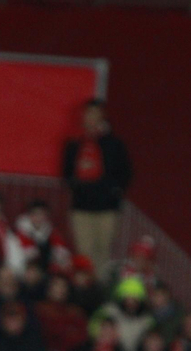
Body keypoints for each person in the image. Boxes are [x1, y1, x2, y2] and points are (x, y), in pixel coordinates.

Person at [61, 99, 132, 280]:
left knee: (103, 251)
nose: (91, 119)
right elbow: (66, 173)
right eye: (88, 114)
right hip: (81, 207)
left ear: (102, 117)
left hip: (107, 208)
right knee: (85, 253)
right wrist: (77, 186)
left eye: (95, 114)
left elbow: (125, 172)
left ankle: (98, 289)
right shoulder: (74, 143)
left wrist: (114, 191)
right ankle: (85, 286)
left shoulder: (114, 144)